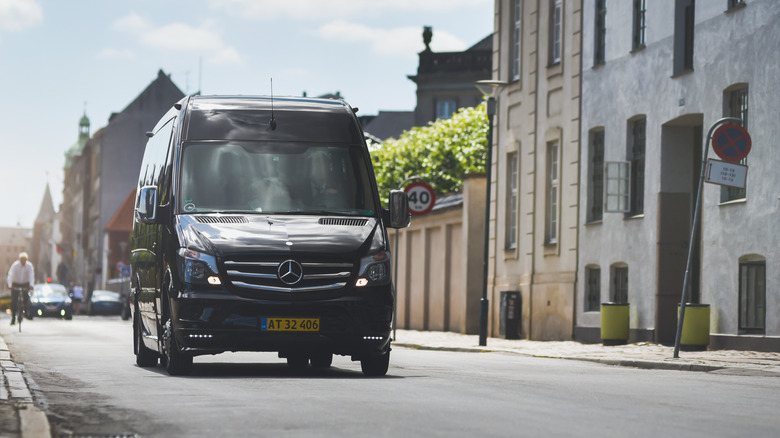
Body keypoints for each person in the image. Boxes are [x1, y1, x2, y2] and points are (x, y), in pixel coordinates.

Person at [7, 252, 34, 325]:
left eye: (24, 260)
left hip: (25, 284)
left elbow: (31, 275)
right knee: (14, 301)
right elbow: (10, 274)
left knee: (26, 297)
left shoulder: (29, 266)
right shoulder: (15, 265)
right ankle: (13, 317)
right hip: (15, 284)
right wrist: (10, 285)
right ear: (19, 259)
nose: (23, 261)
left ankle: (25, 311)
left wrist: (31, 285)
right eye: (22, 260)